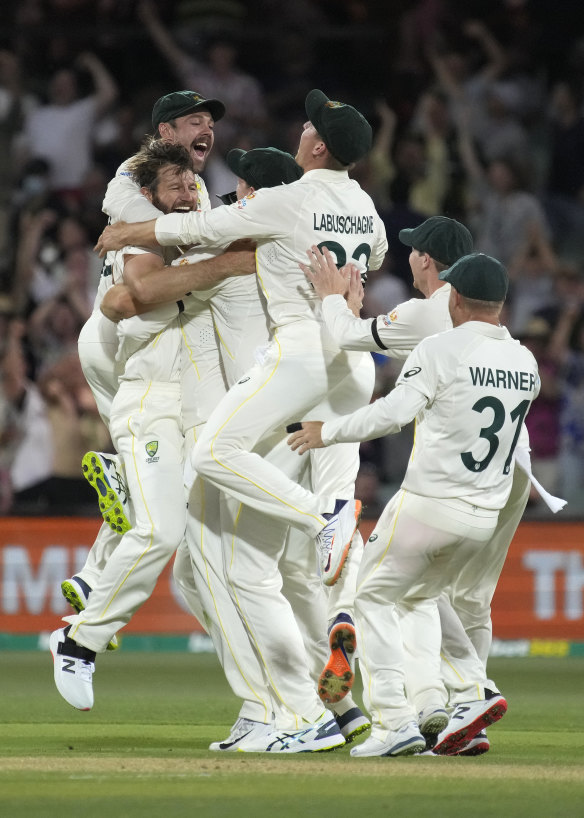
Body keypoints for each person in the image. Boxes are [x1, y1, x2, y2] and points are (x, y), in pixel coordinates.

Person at [96, 88, 387, 752]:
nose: (238, 187)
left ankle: (291, 712)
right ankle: (330, 702)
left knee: (235, 565)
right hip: (334, 377)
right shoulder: (360, 213)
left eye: (249, 182)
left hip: (272, 398)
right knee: (223, 573)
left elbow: (161, 263)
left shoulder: (267, 228)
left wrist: (124, 237)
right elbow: (365, 263)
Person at [287, 253, 540, 757]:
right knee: (423, 596)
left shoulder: (440, 348)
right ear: (501, 304)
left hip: (428, 505)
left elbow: (393, 414)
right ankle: (470, 692)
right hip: (484, 516)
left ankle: (393, 722)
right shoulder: (525, 361)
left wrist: (326, 431)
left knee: (371, 598)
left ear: (457, 299)